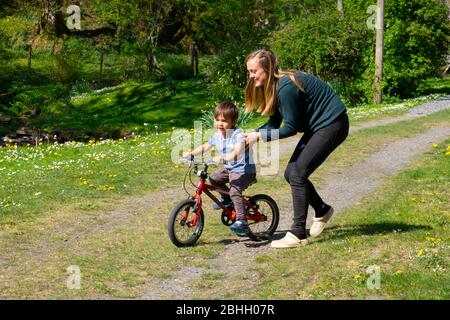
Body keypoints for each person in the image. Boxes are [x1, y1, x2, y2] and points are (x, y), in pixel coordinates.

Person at [244, 49, 349, 248]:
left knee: (298, 173)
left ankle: (298, 233)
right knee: (290, 173)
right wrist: (252, 135)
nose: (251, 76)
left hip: (333, 123)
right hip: (318, 126)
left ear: (267, 68)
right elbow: (275, 122)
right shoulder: (274, 86)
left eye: (254, 71)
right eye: (249, 71)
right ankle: (322, 210)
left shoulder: (285, 87)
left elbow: (289, 129)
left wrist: (259, 136)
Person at [183, 101, 256, 234]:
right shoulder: (217, 135)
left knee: (235, 191)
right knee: (214, 179)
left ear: (233, 121)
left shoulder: (237, 135)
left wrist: (224, 158)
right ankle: (227, 200)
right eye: (217, 120)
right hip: (230, 169)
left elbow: (237, 152)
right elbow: (206, 146)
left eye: (224, 120)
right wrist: (192, 154)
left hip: (244, 170)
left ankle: (242, 220)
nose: (220, 124)